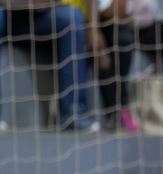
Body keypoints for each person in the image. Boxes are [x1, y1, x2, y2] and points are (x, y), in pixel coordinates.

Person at [66, 0, 163, 132]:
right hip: (112, 24)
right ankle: (117, 111)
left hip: (145, 25)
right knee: (120, 42)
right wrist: (93, 30)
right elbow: (113, 13)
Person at [2, 1, 98, 131]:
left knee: (72, 17)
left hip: (45, 16)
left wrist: (93, 29)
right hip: (9, 15)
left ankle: (73, 114)